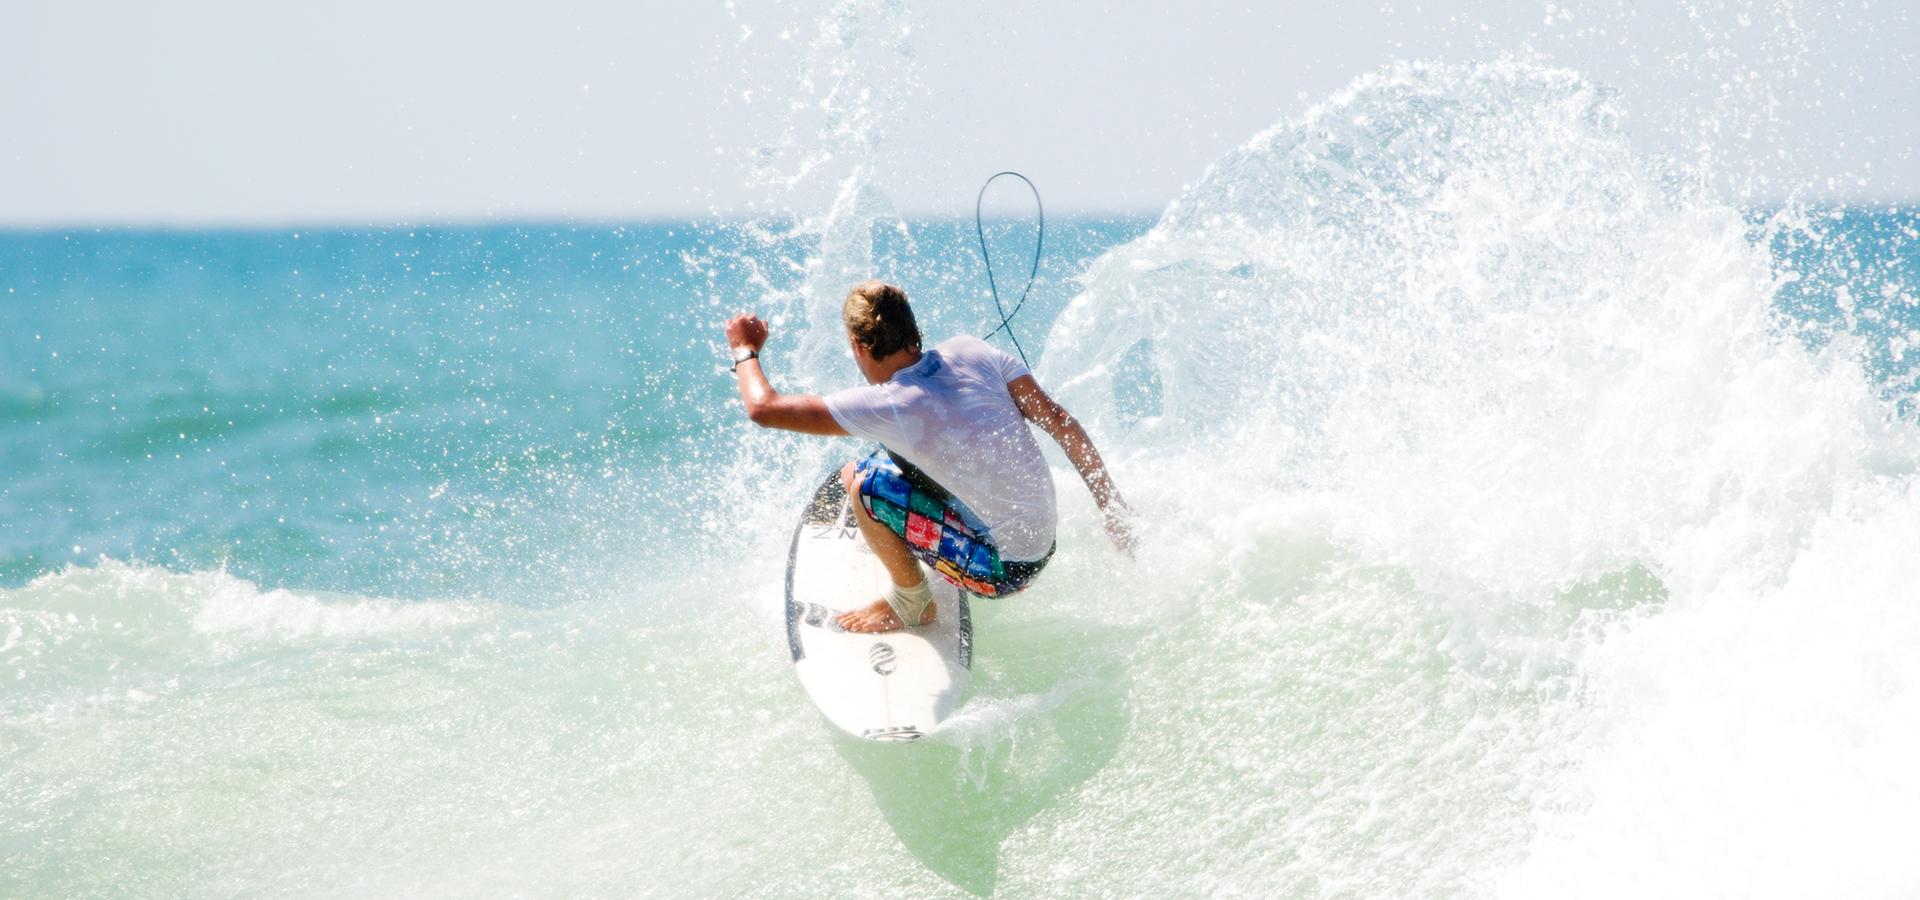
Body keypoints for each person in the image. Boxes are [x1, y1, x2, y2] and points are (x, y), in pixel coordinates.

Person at [723, 280, 1134, 633]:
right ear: (912, 329)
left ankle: (911, 602)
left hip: (1002, 572)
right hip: (1042, 545)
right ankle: (919, 547)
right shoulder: (973, 350)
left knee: (862, 480)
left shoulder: (890, 403)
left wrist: (745, 349)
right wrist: (1111, 508)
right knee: (893, 452)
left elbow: (764, 409)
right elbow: (1061, 422)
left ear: (859, 345)